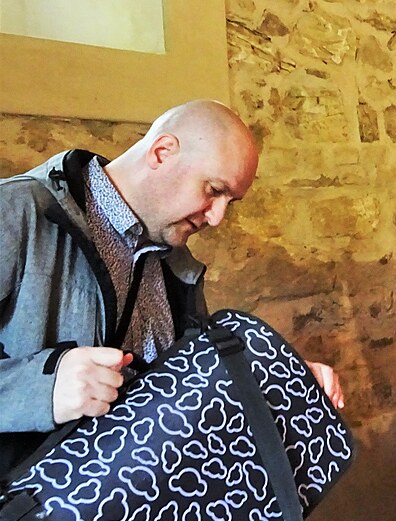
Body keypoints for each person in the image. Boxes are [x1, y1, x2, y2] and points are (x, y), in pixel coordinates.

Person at [0, 99, 344, 478]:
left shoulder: (176, 263)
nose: (217, 217)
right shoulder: (15, 212)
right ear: (162, 153)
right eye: (213, 190)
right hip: (25, 510)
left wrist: (275, 381)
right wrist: (42, 388)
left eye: (230, 202)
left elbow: (188, 391)